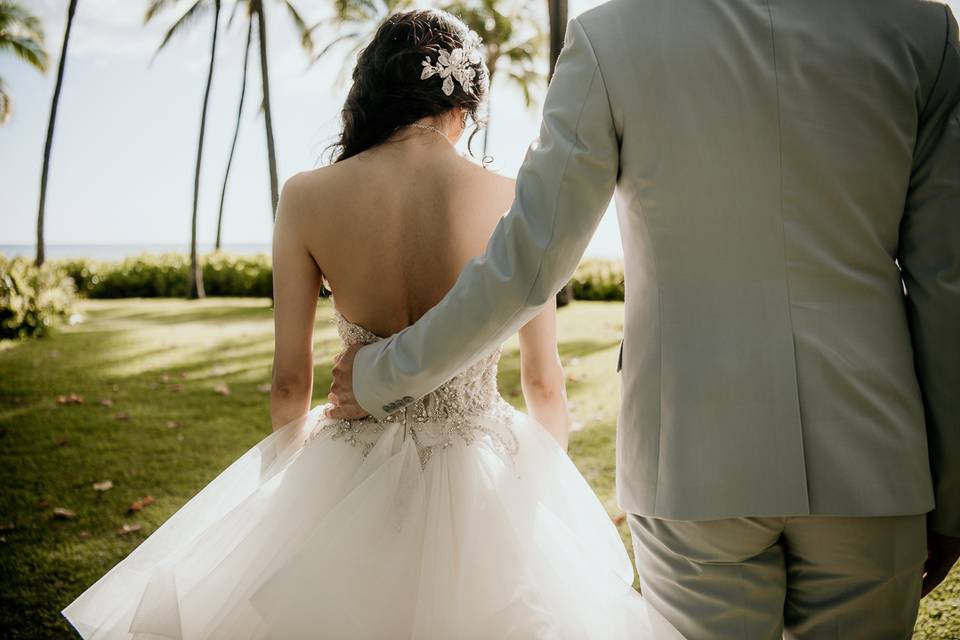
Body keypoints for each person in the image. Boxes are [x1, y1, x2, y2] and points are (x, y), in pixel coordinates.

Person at [327, 1, 960, 638]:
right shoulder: (922, 31)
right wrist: (953, 495)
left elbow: (528, 265)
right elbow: (947, 283)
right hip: (875, 462)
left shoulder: (612, 37)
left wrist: (384, 371)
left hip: (691, 457)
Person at [61, 9, 679, 639]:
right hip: (481, 475)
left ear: (372, 92)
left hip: (348, 461)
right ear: (465, 102)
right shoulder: (511, 199)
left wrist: (295, 494)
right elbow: (544, 384)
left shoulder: (305, 196)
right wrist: (537, 493)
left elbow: (287, 384)